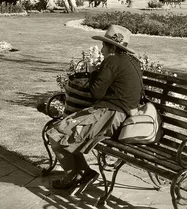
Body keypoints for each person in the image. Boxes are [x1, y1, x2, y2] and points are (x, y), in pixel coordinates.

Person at [45, 25, 142, 193]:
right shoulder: (131, 61)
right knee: (64, 133)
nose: (102, 49)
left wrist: (92, 71)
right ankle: (84, 173)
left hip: (109, 115)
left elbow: (96, 93)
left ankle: (73, 177)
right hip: (116, 114)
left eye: (104, 45)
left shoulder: (111, 60)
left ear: (112, 47)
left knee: (56, 135)